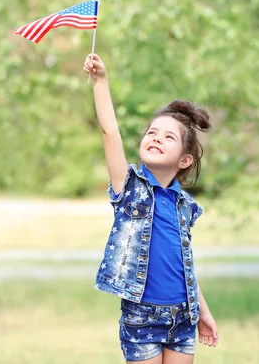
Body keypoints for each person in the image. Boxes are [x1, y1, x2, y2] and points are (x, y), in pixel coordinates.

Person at [84, 53, 219, 363]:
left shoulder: (183, 205)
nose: (156, 138)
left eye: (168, 137)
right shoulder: (129, 188)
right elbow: (109, 133)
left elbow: (184, 266)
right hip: (142, 320)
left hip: (183, 319)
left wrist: (202, 312)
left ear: (184, 160)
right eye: (152, 133)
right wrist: (101, 81)